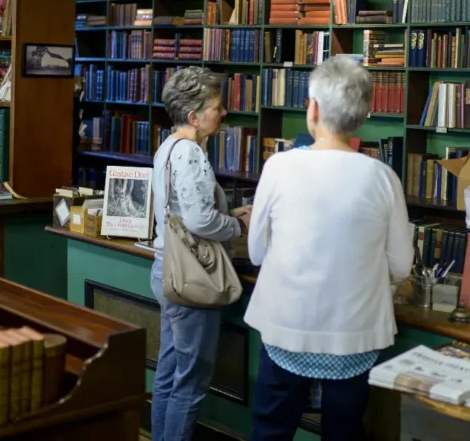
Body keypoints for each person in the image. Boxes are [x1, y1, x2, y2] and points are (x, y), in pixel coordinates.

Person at [245, 56, 414, 441]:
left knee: (271, 430)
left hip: (286, 328)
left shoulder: (279, 167)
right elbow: (402, 266)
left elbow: (256, 253)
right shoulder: (383, 177)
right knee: (344, 433)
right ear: (363, 114)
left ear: (314, 109)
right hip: (353, 335)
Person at [150, 67, 251, 441]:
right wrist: (238, 225)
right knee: (191, 383)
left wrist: (227, 212)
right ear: (194, 116)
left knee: (168, 373)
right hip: (193, 278)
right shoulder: (191, 152)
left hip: (167, 270)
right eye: (216, 107)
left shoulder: (168, 146)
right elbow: (198, 220)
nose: (223, 113)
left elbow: (182, 211)